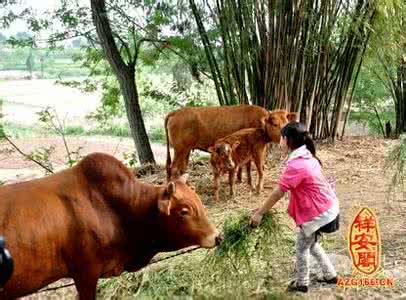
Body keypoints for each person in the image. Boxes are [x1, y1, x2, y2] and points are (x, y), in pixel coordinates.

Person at [250, 121, 339, 293]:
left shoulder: (296, 164)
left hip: (319, 212)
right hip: (327, 206)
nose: (279, 141)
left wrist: (260, 213)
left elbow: (278, 192)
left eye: (281, 138)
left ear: (288, 140)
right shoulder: (306, 154)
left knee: (301, 247)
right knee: (311, 244)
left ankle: (301, 284)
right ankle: (330, 275)